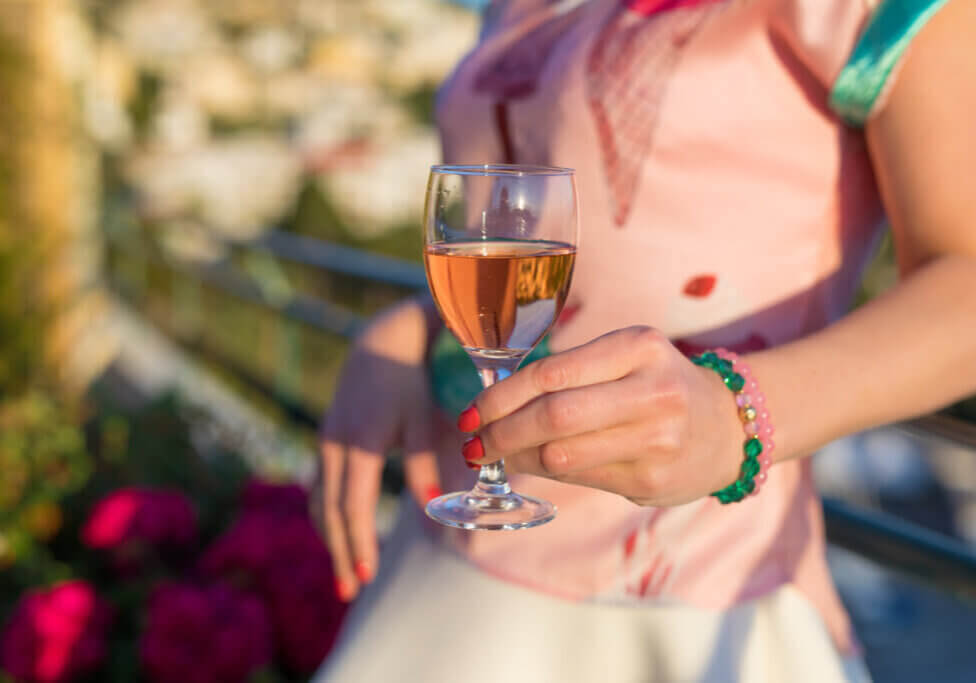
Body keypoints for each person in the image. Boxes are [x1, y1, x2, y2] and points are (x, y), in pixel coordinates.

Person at [314, 0, 976, 681]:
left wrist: (733, 416)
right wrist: (415, 325)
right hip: (449, 549)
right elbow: (528, 232)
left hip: (687, 587)